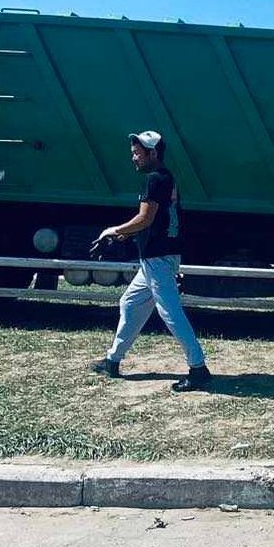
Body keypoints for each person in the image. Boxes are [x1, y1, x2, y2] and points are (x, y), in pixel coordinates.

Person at [88, 130, 212, 392]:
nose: (133, 158)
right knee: (130, 302)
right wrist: (127, 236)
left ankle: (198, 368)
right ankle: (113, 361)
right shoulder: (164, 178)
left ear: (153, 153)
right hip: (157, 257)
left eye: (137, 153)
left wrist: (114, 231)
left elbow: (145, 218)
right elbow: (155, 221)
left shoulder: (154, 180)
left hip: (158, 258)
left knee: (170, 313)